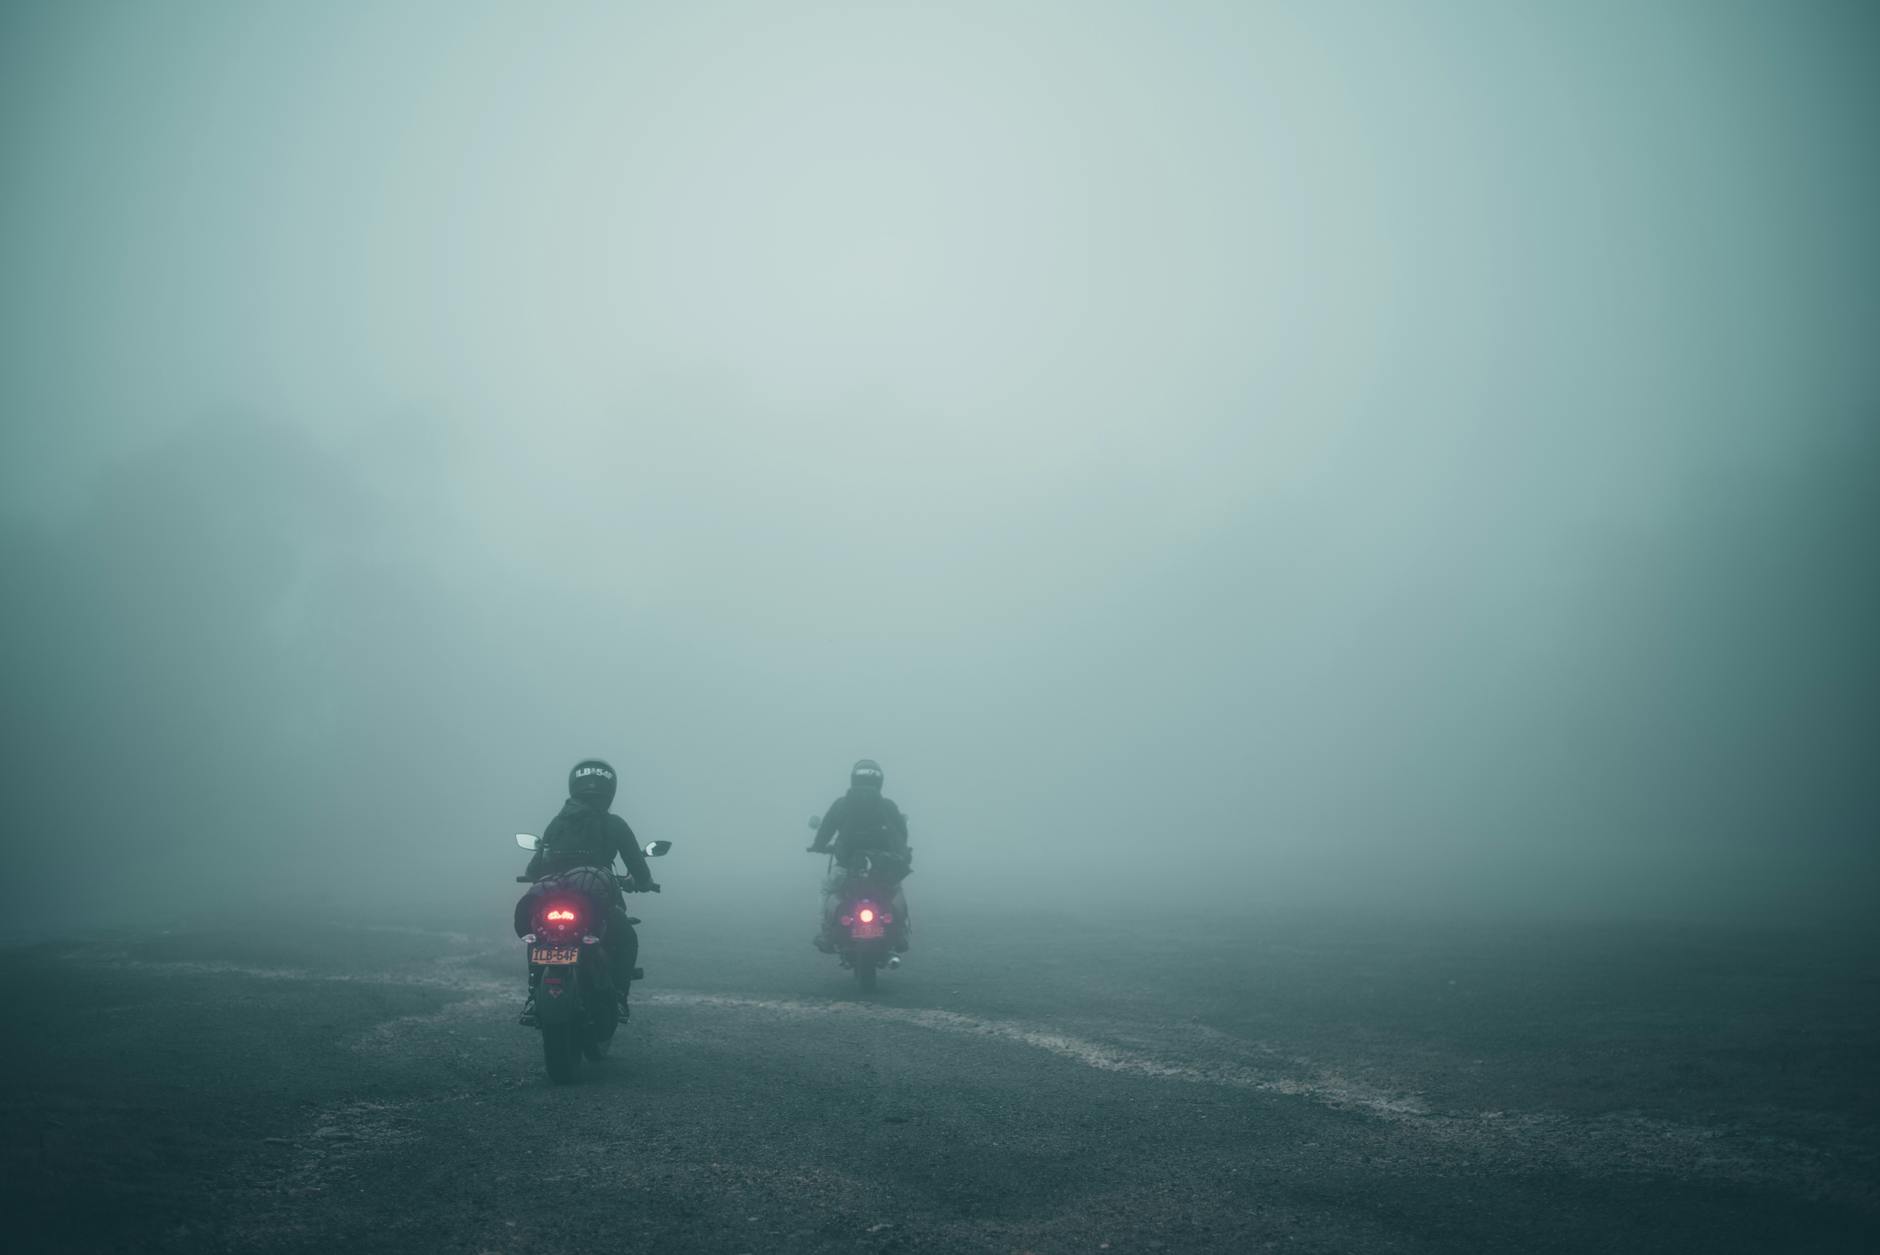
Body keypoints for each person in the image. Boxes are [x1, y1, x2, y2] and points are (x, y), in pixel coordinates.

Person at [516, 758, 660, 1023]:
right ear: (610, 790)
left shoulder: (557, 823)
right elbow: (638, 867)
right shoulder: (615, 824)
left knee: (538, 935)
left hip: (553, 898)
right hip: (596, 900)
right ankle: (618, 999)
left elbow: (535, 866)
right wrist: (644, 883)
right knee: (625, 936)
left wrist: (531, 876)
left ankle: (533, 997)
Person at [808, 758, 911, 952]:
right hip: (882, 868)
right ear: (880, 781)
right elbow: (902, 834)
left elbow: (826, 830)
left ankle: (826, 932)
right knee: (897, 890)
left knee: (827, 889)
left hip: (846, 866)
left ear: (853, 779)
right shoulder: (888, 806)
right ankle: (902, 932)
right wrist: (900, 854)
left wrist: (818, 846)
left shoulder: (841, 805)